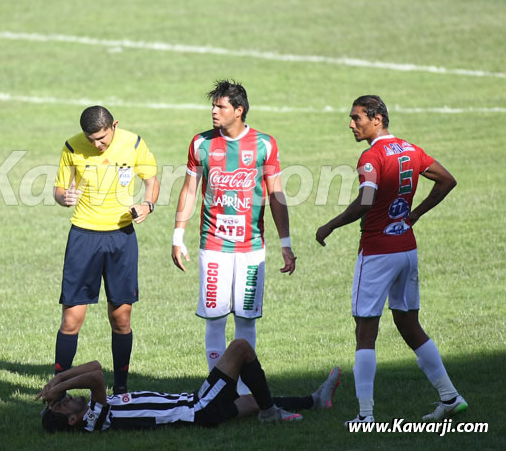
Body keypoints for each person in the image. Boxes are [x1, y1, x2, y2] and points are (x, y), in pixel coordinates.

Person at [315, 95, 466, 425]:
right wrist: (415, 215)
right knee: (409, 324)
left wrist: (331, 224)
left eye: (357, 118)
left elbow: (366, 201)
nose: (351, 124)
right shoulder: (411, 149)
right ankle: (450, 397)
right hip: (406, 249)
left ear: (377, 119)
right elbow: (447, 180)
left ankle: (365, 415)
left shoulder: (371, 156)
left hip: (378, 252)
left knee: (365, 331)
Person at [171, 80, 296, 402]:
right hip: (213, 246)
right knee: (214, 317)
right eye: (213, 105)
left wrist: (286, 242)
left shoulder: (265, 145)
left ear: (238, 111)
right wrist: (177, 235)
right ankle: (219, 387)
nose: (214, 111)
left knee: (245, 319)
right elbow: (188, 190)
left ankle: (242, 389)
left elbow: (277, 195)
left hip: (251, 248)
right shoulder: (200, 143)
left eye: (221, 106)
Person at [52, 105, 159, 393]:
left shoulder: (134, 143)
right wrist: (64, 197)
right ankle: (57, 390)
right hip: (83, 236)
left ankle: (121, 389)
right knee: (72, 317)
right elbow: (59, 189)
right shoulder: (72, 147)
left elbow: (151, 181)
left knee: (121, 317)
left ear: (115, 125)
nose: (97, 144)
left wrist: (147, 204)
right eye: (91, 139)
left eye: (101, 138)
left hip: (121, 236)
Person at [37, 338, 341, 432]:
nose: (66, 399)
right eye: (62, 404)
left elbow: (94, 367)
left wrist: (58, 381)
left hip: (196, 407)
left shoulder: (90, 412)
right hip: (197, 408)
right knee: (240, 348)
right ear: (72, 420)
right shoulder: (93, 421)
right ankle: (270, 413)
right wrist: (56, 388)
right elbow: (97, 378)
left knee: (250, 401)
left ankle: (315, 401)